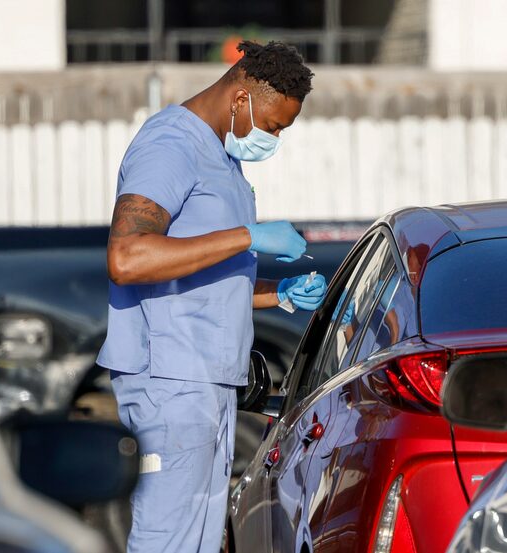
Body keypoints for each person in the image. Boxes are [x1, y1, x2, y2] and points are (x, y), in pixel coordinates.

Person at [96, 41, 327, 553]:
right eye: (273, 126)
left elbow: (199, 279)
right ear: (240, 97)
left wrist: (280, 294)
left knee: (198, 542)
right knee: (167, 539)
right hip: (169, 381)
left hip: (208, 383)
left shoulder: (222, 157)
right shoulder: (170, 145)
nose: (274, 139)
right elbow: (128, 257)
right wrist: (250, 236)